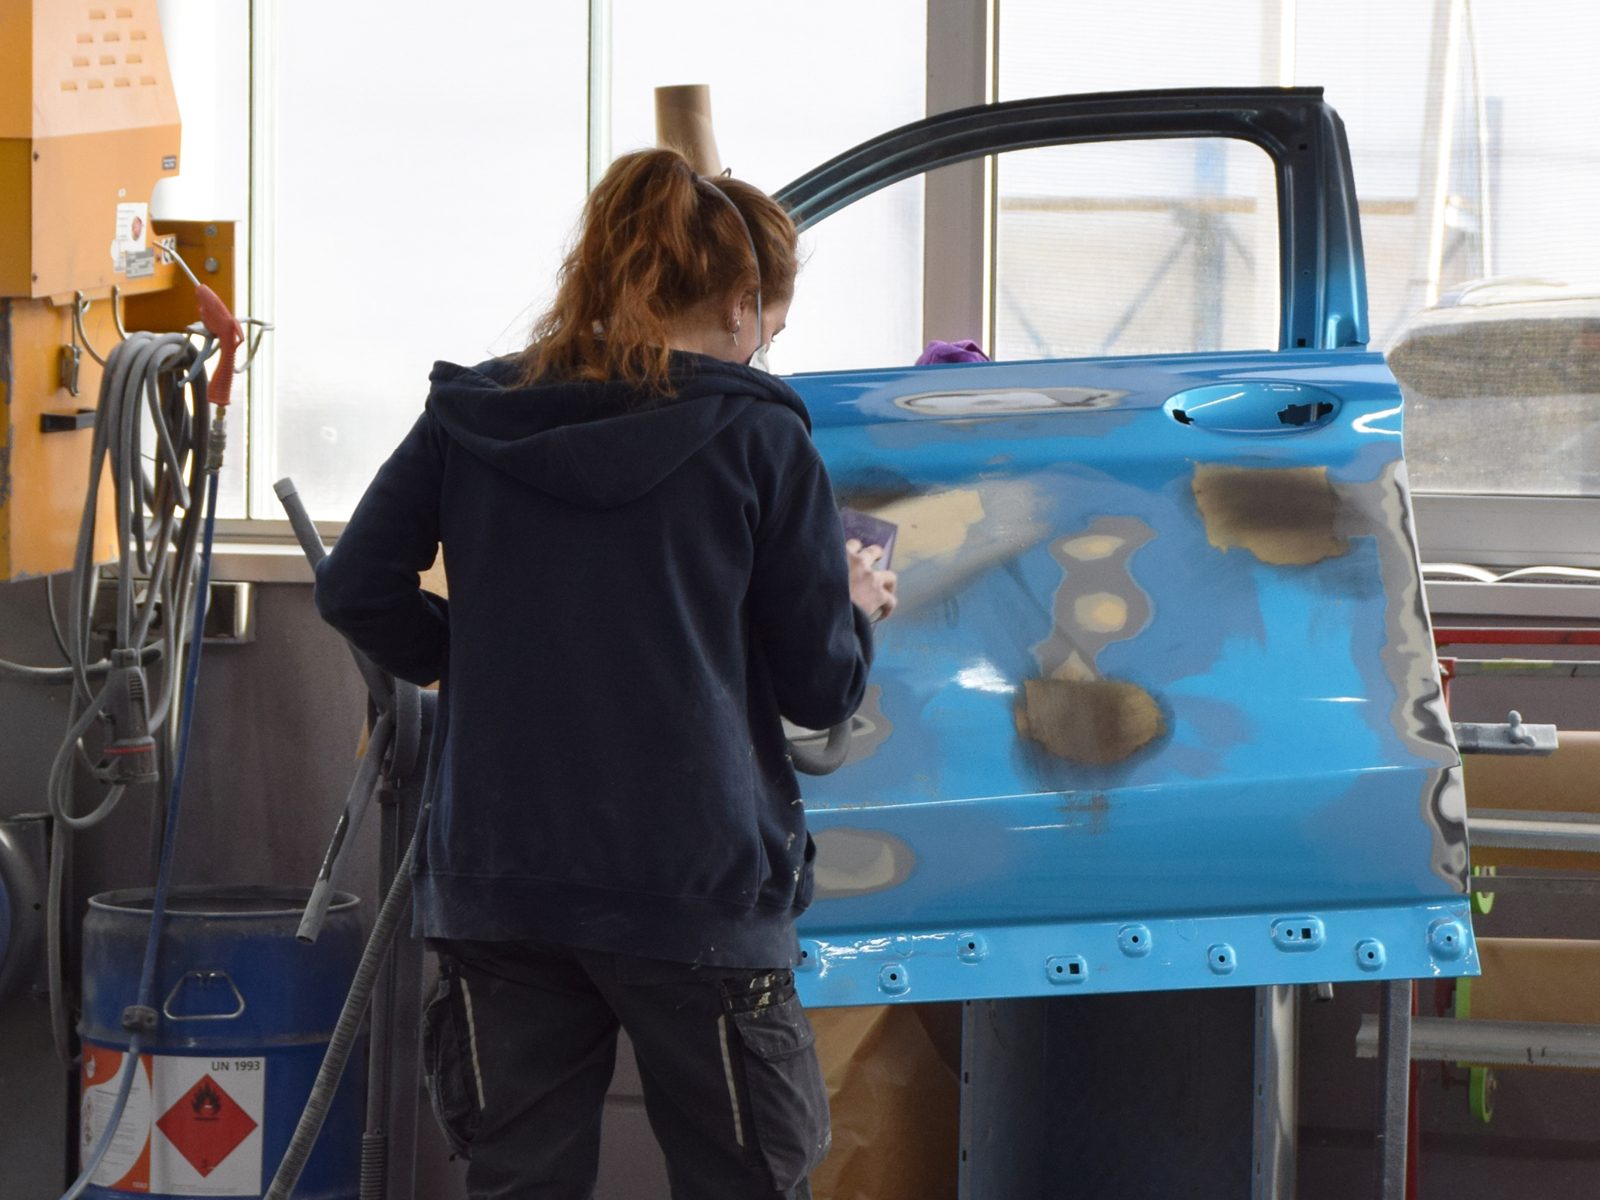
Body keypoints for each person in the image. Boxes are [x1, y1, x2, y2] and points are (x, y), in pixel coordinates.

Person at [314, 147, 897, 1200]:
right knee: (745, 1180)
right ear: (739, 302)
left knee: (517, 1182)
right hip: (695, 883)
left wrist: (486, 663)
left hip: (502, 875)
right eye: (771, 319)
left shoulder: (471, 417)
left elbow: (356, 589)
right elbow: (819, 691)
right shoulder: (761, 438)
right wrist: (856, 611)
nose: (769, 343)